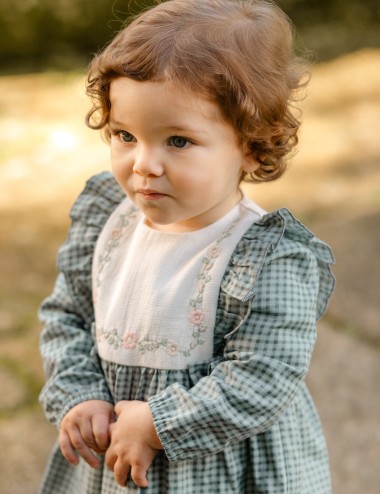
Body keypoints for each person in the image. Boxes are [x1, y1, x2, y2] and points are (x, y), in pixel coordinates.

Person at [38, 0, 335, 492]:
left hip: (220, 467)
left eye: (177, 141)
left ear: (253, 145)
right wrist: (80, 395)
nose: (144, 164)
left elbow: (263, 377)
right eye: (125, 135)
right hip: (113, 452)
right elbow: (67, 315)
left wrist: (157, 423)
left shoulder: (266, 256)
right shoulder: (105, 221)